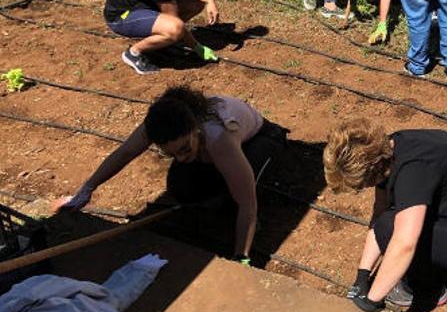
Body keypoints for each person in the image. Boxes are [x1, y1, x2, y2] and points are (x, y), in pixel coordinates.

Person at [55, 86, 289, 263]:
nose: (180, 158)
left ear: (195, 130)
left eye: (185, 149)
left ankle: (233, 201)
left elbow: (248, 205)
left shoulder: (220, 138)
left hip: (262, 140)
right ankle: (219, 188)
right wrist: (87, 189)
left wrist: (242, 257)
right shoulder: (160, 123)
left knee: (238, 195)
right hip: (207, 151)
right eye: (172, 153)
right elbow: (125, 152)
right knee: (181, 188)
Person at [323, 119, 447, 312]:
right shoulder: (388, 150)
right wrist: (362, 276)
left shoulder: (413, 171)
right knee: (390, 220)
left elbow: (405, 243)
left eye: (361, 185)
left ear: (371, 169)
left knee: (392, 227)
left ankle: (428, 290)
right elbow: (380, 211)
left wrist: (372, 299)